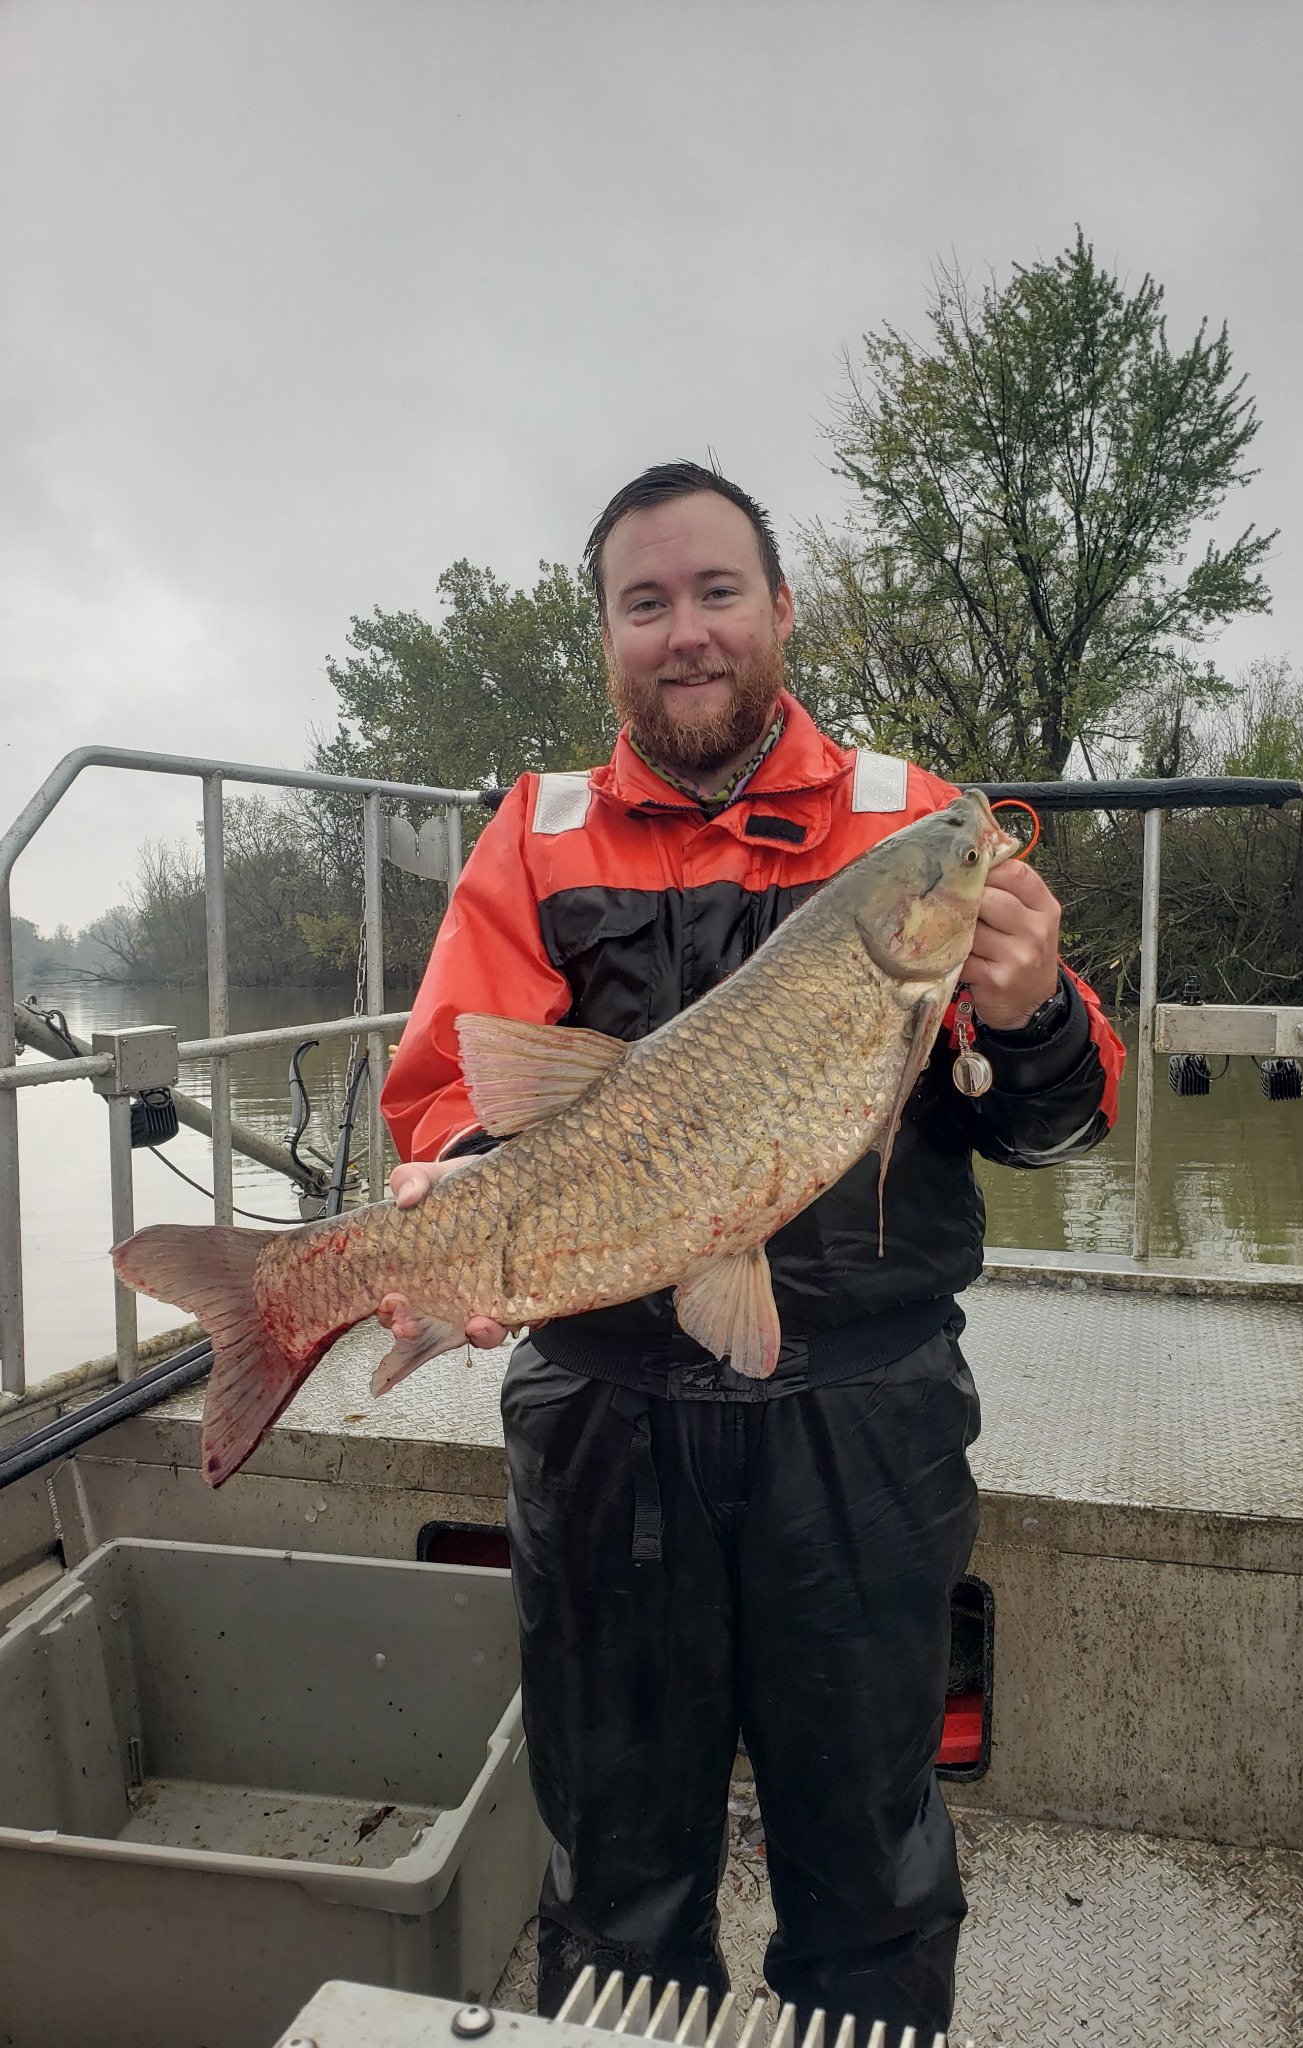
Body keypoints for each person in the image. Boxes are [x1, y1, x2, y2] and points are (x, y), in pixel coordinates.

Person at [379, 461, 1125, 2037]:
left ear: (780, 613)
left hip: (864, 1413)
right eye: (644, 604)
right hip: (601, 1412)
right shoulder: (537, 835)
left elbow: (1060, 1125)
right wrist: (448, 1197)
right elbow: (445, 1087)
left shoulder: (917, 826)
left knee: (870, 1866)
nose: (685, 632)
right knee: (616, 1872)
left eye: (717, 592)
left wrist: (1030, 1008)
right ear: (607, 640)